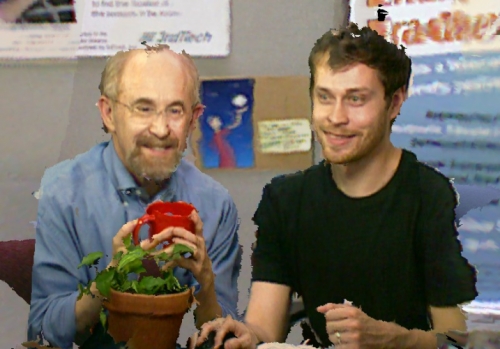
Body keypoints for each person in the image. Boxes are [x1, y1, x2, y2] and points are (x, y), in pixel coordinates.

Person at [189, 23, 478, 349]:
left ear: (394, 103)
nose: (335, 117)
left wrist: (392, 340)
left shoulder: (430, 195)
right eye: (325, 97)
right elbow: (264, 329)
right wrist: (246, 336)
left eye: (355, 99)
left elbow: (457, 340)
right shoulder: (285, 199)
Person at [27, 44, 242, 349]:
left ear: (193, 120)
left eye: (175, 110)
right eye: (144, 108)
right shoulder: (63, 193)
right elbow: (44, 327)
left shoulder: (215, 203)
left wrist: (206, 286)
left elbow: (222, 335)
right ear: (109, 114)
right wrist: (109, 281)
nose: (160, 128)